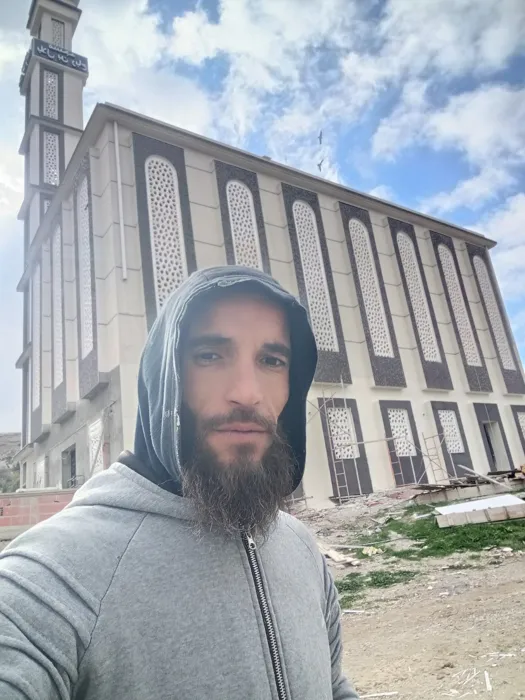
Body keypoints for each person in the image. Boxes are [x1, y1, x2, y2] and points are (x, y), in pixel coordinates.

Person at [0, 266, 358, 699]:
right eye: (209, 355)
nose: (248, 393)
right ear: (163, 376)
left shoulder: (301, 547)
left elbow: (334, 686)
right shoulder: (52, 576)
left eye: (271, 361)